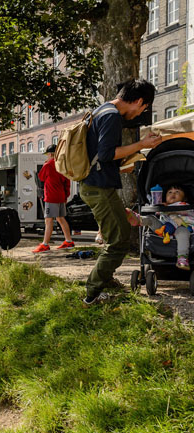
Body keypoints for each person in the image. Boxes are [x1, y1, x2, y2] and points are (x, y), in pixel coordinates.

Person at [80, 79, 162, 306]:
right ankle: (92, 294)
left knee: (116, 233)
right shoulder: (112, 116)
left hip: (94, 184)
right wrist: (141, 145)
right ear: (138, 101)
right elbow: (106, 154)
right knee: (118, 241)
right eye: (143, 108)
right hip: (99, 186)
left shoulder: (101, 110)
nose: (140, 114)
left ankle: (104, 280)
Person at [127, 185, 194, 270]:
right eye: (170, 192)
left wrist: (169, 209)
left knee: (182, 233)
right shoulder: (162, 205)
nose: (173, 194)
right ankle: (138, 219)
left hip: (181, 227)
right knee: (151, 219)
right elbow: (157, 214)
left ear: (184, 198)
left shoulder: (184, 204)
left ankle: (182, 257)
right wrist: (158, 207)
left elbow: (186, 212)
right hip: (162, 229)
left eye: (177, 192)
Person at [33, 144, 75, 253]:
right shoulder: (63, 165)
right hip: (61, 196)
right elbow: (67, 182)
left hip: (51, 196)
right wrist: (66, 195)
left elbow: (41, 177)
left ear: (51, 154)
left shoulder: (48, 165)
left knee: (48, 220)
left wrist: (46, 163)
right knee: (61, 218)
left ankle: (45, 244)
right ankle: (68, 241)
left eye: (47, 154)